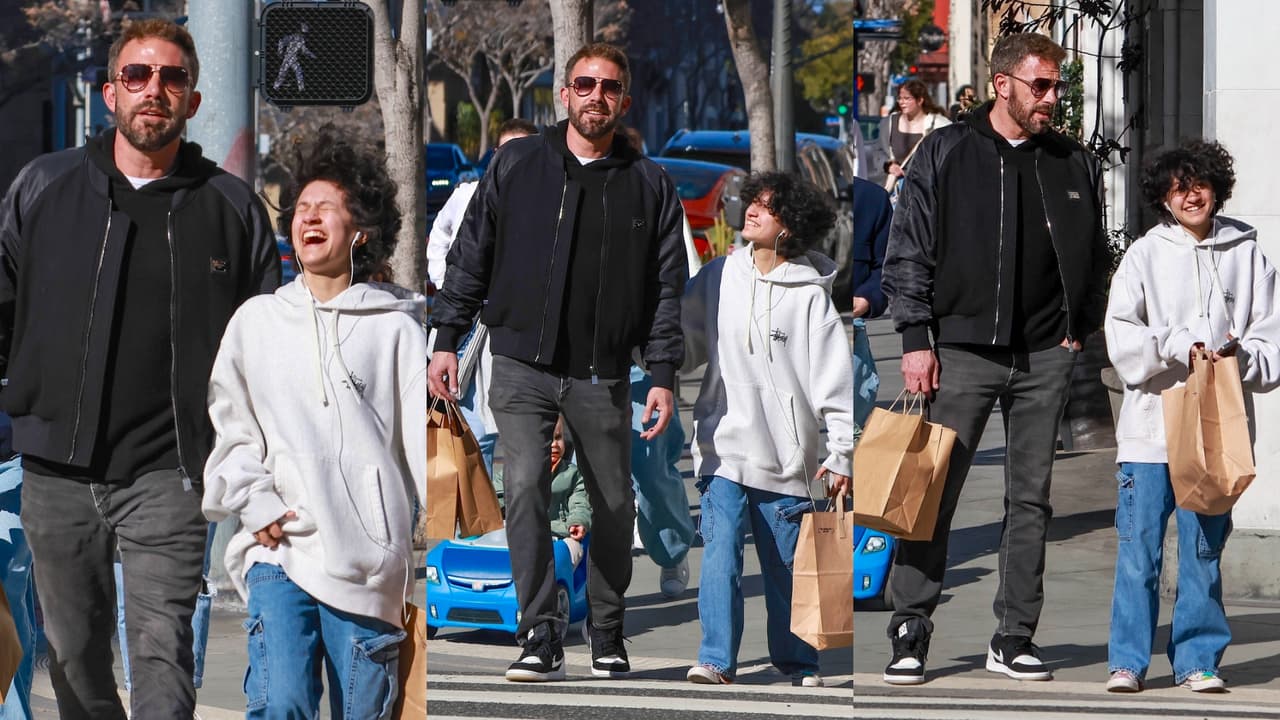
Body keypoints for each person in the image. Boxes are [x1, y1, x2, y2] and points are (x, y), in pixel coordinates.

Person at [0, 18, 280, 719]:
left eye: (172, 78)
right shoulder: (43, 188)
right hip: (56, 471)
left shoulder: (231, 208)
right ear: (108, 93)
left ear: (191, 99)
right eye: (137, 75)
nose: (153, 90)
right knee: (73, 660)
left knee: (162, 654)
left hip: (172, 473)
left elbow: (268, 352)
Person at [427, 42, 688, 683]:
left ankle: (605, 627)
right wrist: (445, 339)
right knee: (523, 492)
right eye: (585, 84)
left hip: (602, 371)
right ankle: (540, 632)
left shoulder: (649, 184)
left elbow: (665, 289)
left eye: (610, 87)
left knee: (613, 503)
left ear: (624, 99)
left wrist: (659, 374)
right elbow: (471, 257)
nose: (596, 96)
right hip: (521, 363)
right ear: (564, 94)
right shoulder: (517, 164)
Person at [880, 32, 1109, 686]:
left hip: (1044, 356)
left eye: (1058, 86)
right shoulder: (947, 152)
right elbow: (908, 250)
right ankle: (910, 629)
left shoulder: (1072, 161)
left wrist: (1079, 329)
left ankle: (1014, 636)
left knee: (1031, 500)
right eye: (1041, 85)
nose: (1052, 99)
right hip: (959, 353)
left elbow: (1094, 256)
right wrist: (915, 340)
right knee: (932, 495)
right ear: (1003, 83)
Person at [202, 126, 428, 717]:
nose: (310, 217)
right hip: (279, 550)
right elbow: (232, 427)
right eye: (302, 207)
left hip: (367, 565)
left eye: (327, 207)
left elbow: (421, 448)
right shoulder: (256, 322)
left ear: (361, 231)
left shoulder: (397, 329)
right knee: (281, 706)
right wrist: (255, 503)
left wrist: (429, 539)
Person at [1103, 140, 1280, 694]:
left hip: (1216, 432)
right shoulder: (1145, 255)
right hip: (1150, 429)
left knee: (1204, 550)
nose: (1192, 194)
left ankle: (1197, 660)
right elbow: (1120, 337)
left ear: (1217, 189)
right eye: (1179, 186)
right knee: (1139, 552)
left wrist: (1240, 356)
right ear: (1164, 196)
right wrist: (1176, 344)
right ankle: (1127, 661)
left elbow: (1270, 341)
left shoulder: (1247, 254)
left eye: (1200, 183)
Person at [681, 171, 854, 688]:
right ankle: (715, 658)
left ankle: (797, 660)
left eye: (766, 207)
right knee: (720, 554)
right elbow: (683, 343)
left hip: (786, 456)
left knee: (785, 569)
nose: (751, 211)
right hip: (722, 447)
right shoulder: (717, 277)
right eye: (751, 202)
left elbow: (832, 377)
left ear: (790, 226)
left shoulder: (809, 296)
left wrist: (841, 449)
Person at [427, 118, 540, 474]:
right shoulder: (467, 195)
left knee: (526, 427)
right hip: (472, 326)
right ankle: (477, 515)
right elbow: (440, 238)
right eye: (508, 150)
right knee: (473, 421)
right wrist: (446, 282)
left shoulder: (550, 201)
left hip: (525, 327)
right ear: (495, 154)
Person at [494, 416, 592, 569]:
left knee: (568, 554)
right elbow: (498, 496)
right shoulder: (512, 471)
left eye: (558, 438)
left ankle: (558, 585)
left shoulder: (572, 474)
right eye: (547, 439)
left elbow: (580, 502)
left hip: (561, 533)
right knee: (502, 552)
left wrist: (577, 521)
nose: (554, 444)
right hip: (523, 532)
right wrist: (497, 511)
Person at [850, 176, 893, 428]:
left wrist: (866, 298)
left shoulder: (872, 199)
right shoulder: (785, 200)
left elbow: (887, 264)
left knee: (851, 429)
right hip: (787, 334)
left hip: (849, 333)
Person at [880, 79, 951, 196]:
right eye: (900, 98)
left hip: (925, 192)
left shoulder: (939, 125)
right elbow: (879, 151)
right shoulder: (888, 123)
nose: (902, 102)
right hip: (895, 192)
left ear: (920, 100)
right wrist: (889, 165)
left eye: (907, 98)